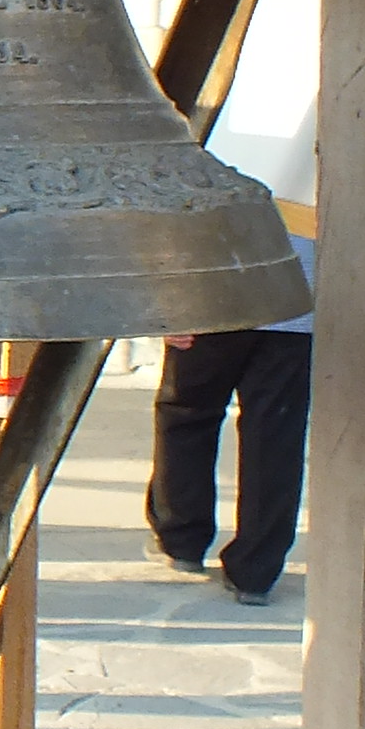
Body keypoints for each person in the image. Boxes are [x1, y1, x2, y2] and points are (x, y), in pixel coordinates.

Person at [146, 235, 313, 605]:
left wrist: (165, 297)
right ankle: (256, 571)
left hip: (211, 299)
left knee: (187, 415)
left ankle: (182, 539)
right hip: (294, 302)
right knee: (276, 436)